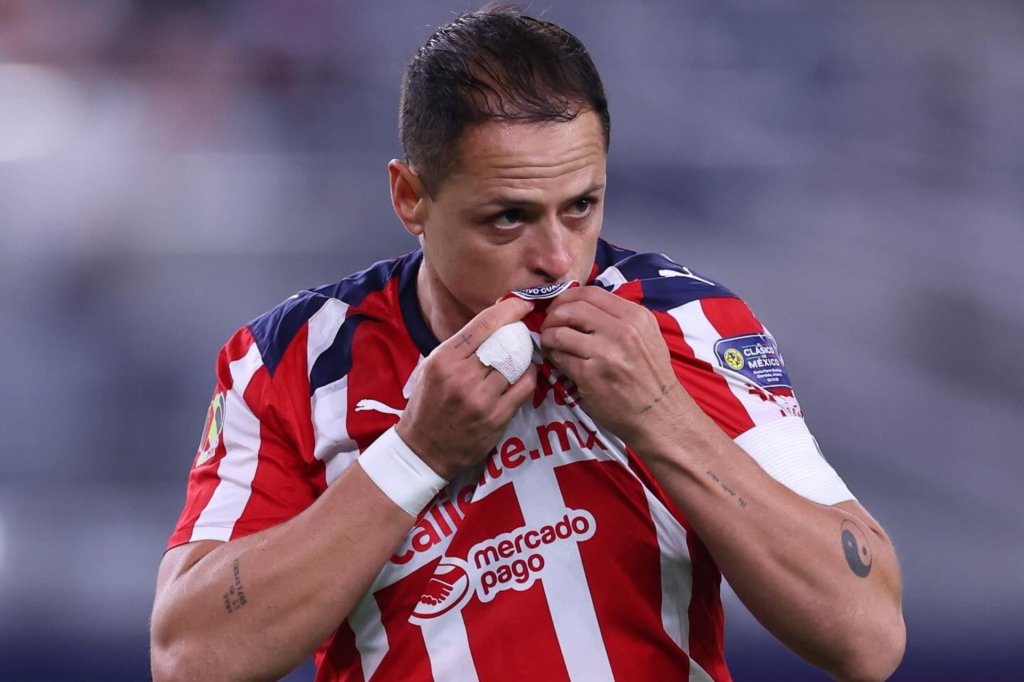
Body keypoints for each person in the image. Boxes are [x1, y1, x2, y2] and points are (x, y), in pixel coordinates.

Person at [150, 6, 905, 681]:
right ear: (411, 197)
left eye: (581, 207)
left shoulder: (688, 322)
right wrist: (413, 456)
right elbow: (188, 658)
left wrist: (663, 418)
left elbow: (867, 635)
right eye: (508, 218)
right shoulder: (291, 360)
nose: (557, 259)